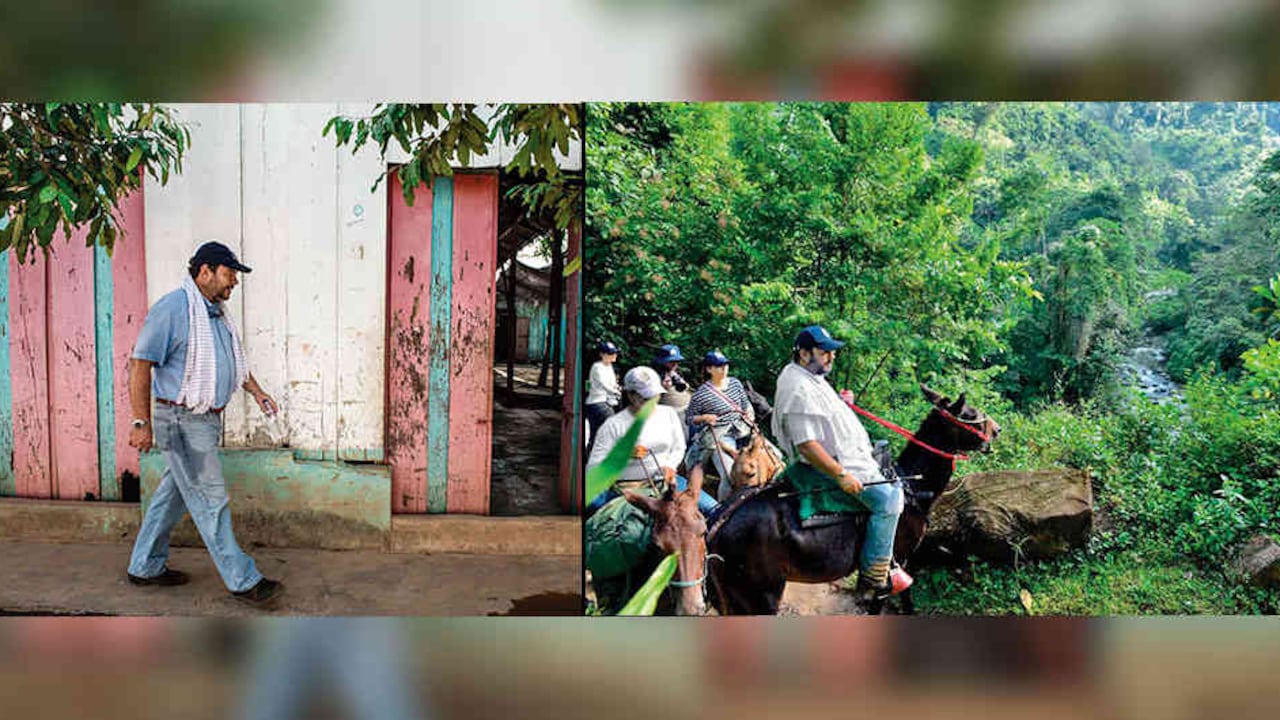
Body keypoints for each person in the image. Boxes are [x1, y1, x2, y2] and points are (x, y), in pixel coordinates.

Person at [125, 241, 284, 608]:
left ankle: (144, 566)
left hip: (204, 420)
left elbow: (232, 362)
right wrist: (140, 421)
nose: (234, 284)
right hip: (182, 422)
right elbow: (140, 364)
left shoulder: (215, 314)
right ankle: (244, 581)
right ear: (205, 272)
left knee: (173, 496)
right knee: (211, 501)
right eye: (230, 275)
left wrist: (257, 392)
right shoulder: (174, 309)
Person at [772, 324, 904, 600]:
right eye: (825, 352)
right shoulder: (796, 387)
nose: (831, 357)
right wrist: (841, 474)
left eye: (832, 352)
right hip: (827, 467)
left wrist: (843, 403)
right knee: (889, 501)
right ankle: (873, 577)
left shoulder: (811, 376)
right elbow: (807, 446)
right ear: (804, 353)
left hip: (851, 459)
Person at [586, 366, 718, 517]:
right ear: (630, 395)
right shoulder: (614, 425)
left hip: (665, 483)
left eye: (654, 396)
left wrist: (670, 465)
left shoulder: (669, 414)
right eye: (645, 398)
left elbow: (679, 447)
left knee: (714, 510)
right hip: (627, 488)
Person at [685, 350, 758, 501]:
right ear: (709, 369)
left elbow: (746, 405)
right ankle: (722, 511)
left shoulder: (736, 383)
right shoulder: (701, 394)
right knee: (730, 474)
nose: (724, 369)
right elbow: (689, 419)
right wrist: (703, 417)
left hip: (743, 430)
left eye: (725, 365)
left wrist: (750, 418)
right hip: (720, 436)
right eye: (719, 366)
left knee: (775, 457)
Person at [584, 340, 621, 458]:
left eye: (614, 353)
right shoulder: (597, 367)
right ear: (602, 355)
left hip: (607, 401)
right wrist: (616, 391)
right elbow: (604, 384)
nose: (614, 356)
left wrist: (617, 388)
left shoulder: (609, 366)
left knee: (598, 434)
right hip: (597, 403)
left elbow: (612, 383)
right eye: (610, 353)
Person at [652, 344, 692, 423]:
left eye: (676, 361)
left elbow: (683, 387)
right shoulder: (653, 375)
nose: (675, 364)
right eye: (671, 361)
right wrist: (661, 387)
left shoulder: (675, 373)